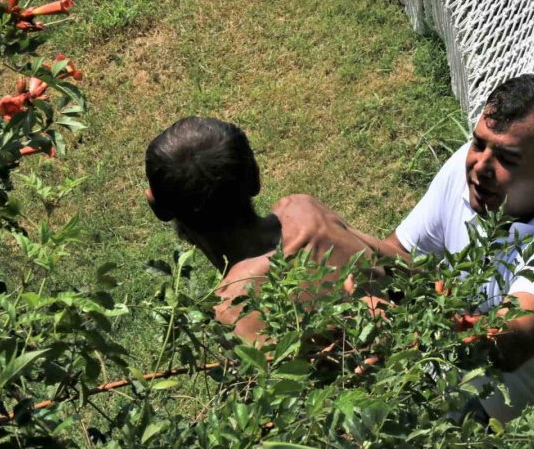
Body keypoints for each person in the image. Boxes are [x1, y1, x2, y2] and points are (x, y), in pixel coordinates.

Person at [281, 74, 534, 422]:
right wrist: (340, 241)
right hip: (497, 401)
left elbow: (505, 346)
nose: (480, 166)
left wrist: (356, 252)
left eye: (507, 158)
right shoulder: (473, 174)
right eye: (478, 143)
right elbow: (402, 256)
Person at [144, 116, 371, 343]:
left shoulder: (227, 316)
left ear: (158, 208)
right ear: (255, 177)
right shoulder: (305, 214)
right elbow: (397, 260)